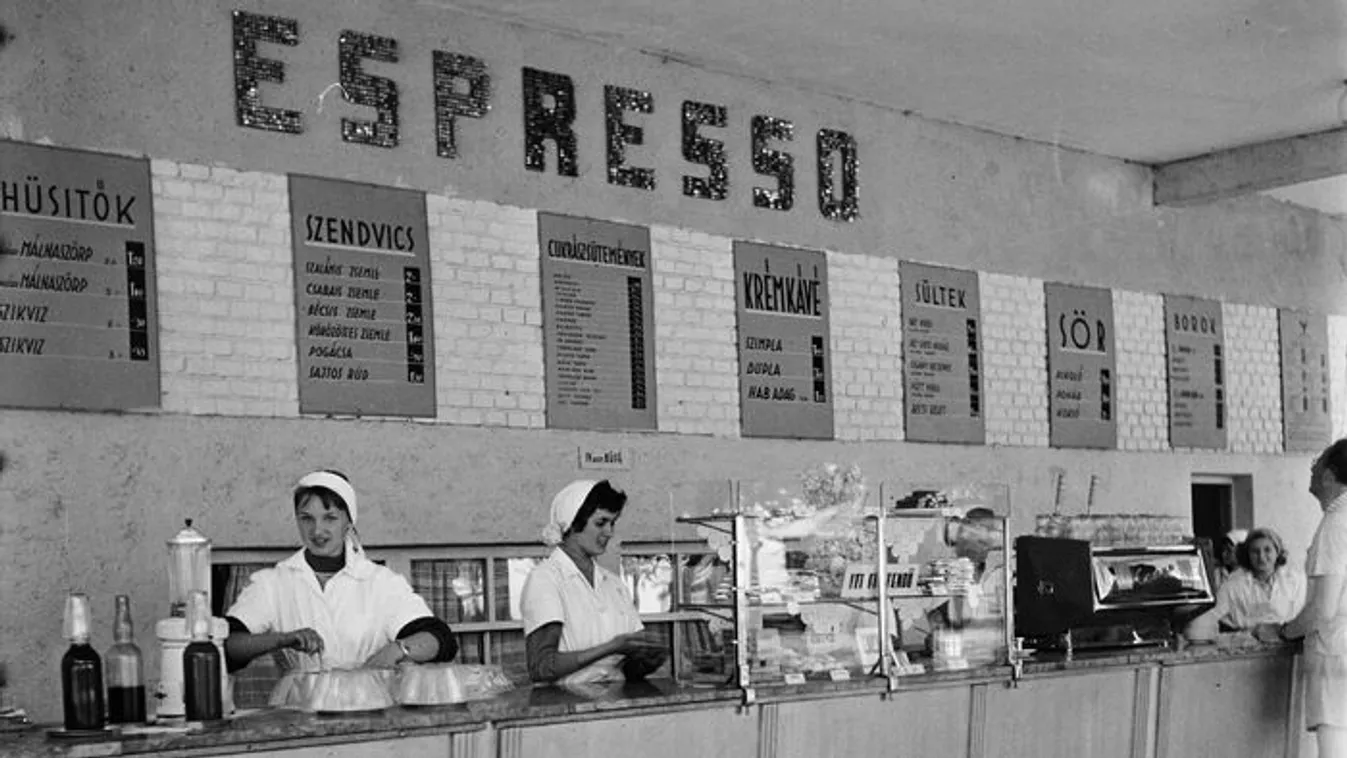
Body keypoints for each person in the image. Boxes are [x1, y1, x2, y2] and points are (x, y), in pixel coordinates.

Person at [223, 470, 457, 672]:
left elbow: (440, 639)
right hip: (301, 712)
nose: (317, 530)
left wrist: (396, 651)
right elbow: (227, 648)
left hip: (371, 708)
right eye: (307, 519)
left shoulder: (380, 583)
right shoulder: (273, 583)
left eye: (330, 518)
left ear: (349, 522)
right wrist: (281, 640)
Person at [520, 479, 667, 684]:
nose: (609, 532)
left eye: (612, 523)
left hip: (615, 700)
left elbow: (628, 668)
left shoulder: (613, 584)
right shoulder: (546, 580)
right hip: (567, 705)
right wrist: (611, 647)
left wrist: (648, 658)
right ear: (573, 524)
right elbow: (542, 667)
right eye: (600, 523)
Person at [1256, 439, 1347, 758]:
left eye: (1317, 463)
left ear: (1329, 477)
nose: (1311, 468)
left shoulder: (1336, 525)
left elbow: (1323, 609)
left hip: (1335, 653)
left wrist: (1282, 631)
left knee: (1334, 750)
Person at [1204, 527, 1305, 631]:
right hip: (1247, 642)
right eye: (1255, 551)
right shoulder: (1232, 585)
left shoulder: (1295, 580)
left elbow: (1303, 615)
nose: (1261, 557)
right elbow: (1210, 616)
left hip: (1288, 641)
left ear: (1277, 552)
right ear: (1248, 555)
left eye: (1267, 550)